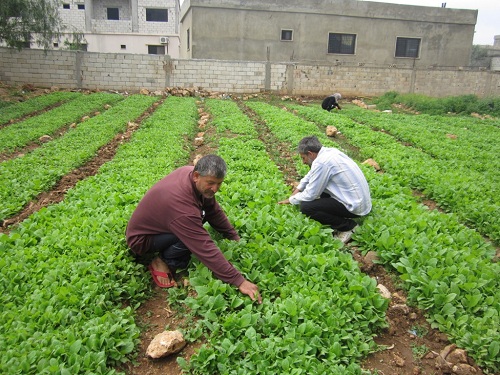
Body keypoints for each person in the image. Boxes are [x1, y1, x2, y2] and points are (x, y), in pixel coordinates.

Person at [126, 154, 262, 304]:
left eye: (219, 183)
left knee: (199, 217)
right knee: (190, 236)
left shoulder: (191, 174)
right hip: (142, 240)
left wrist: (233, 236)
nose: (215, 189)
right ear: (197, 176)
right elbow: (203, 246)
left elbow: (213, 211)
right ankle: (164, 260)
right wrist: (239, 281)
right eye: (211, 183)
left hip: (161, 225)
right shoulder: (182, 208)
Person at [278, 136, 371, 244]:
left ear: (310, 153)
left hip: (355, 206)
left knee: (306, 207)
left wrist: (291, 200)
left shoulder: (322, 163)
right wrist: (298, 189)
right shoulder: (329, 152)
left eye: (303, 158)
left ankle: (348, 227)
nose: (303, 162)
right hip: (360, 201)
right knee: (318, 190)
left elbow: (311, 194)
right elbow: (311, 175)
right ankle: (339, 219)